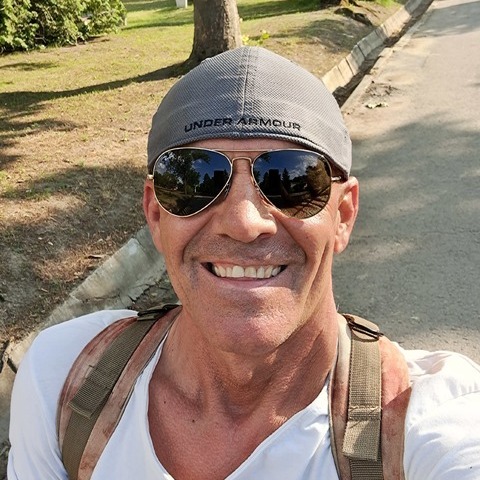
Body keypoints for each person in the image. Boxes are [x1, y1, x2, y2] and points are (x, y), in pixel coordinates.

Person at [7, 46, 480, 479]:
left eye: (291, 179)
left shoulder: (429, 419)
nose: (243, 222)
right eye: (194, 180)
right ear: (155, 214)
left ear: (344, 215)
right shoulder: (64, 380)